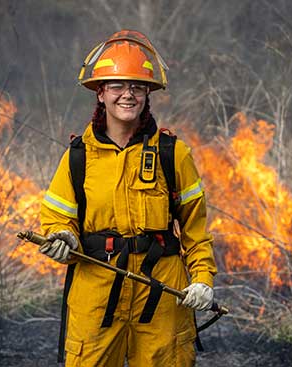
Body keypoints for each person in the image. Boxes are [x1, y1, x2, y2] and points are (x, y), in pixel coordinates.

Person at [39, 30, 217, 366]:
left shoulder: (172, 154)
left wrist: (203, 280)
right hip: (95, 294)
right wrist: (63, 237)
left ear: (147, 92)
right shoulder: (78, 157)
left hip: (162, 295)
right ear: (101, 92)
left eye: (136, 86)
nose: (128, 94)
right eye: (117, 85)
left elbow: (196, 230)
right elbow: (57, 219)